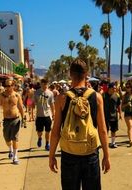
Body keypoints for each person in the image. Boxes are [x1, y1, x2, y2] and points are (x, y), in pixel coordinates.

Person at [49, 58, 110, 189]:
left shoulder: (61, 98)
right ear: (86, 74)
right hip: (90, 154)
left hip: (69, 155)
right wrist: (106, 155)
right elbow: (103, 130)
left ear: (70, 74)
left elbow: (55, 132)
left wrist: (52, 155)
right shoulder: (97, 97)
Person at [0, 79, 24, 164]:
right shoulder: (1, 95)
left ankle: (15, 157)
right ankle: (10, 149)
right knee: (7, 139)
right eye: (6, 86)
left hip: (15, 119)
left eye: (9, 86)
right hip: (6, 120)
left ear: (13, 86)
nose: (7, 88)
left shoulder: (16, 95)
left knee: (15, 138)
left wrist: (23, 118)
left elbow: (20, 107)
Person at [34, 79, 55, 151]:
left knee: (48, 131)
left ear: (48, 84)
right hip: (39, 115)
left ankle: (47, 143)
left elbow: (52, 104)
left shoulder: (50, 93)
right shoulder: (36, 92)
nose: (45, 86)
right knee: (39, 131)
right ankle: (40, 138)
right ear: (41, 84)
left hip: (47, 115)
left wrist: (53, 114)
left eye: (46, 84)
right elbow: (33, 102)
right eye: (43, 84)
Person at [103, 82, 122, 148]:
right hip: (105, 116)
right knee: (106, 130)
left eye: (115, 88)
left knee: (114, 130)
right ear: (109, 88)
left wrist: (120, 114)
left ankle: (113, 143)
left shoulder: (116, 96)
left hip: (114, 116)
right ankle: (105, 143)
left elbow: (118, 105)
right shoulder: (103, 95)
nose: (115, 89)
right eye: (113, 88)